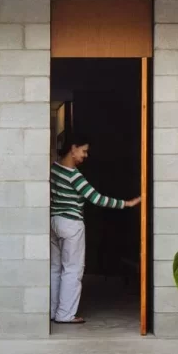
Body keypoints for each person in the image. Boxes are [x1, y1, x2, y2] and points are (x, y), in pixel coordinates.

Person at [50, 132, 141, 324]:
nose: (85, 155)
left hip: (54, 223)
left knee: (55, 269)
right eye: (84, 151)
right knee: (73, 270)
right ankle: (65, 314)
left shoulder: (54, 170)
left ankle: (52, 311)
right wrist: (127, 204)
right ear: (73, 148)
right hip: (71, 225)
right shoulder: (74, 176)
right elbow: (96, 198)